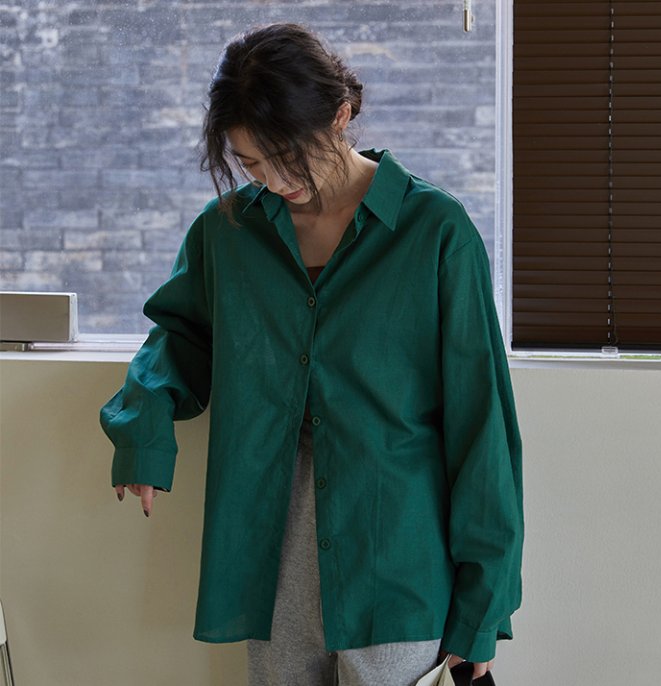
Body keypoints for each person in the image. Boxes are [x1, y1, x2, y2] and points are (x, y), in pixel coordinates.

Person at [99, 21, 524, 686]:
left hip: (398, 562)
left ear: (341, 115)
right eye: (250, 163)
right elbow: (179, 339)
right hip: (269, 560)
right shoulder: (228, 233)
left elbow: (481, 428)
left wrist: (482, 607)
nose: (273, 179)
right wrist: (143, 431)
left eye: (286, 155)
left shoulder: (435, 233)